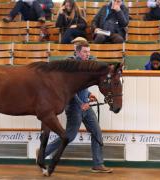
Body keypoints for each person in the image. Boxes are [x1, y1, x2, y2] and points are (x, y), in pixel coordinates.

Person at [41, 41, 113, 173]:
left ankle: (98, 164)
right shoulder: (71, 65)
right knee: (69, 135)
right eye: (85, 52)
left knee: (96, 132)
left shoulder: (87, 65)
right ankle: (43, 153)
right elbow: (68, 89)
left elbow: (82, 85)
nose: (88, 54)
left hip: (85, 105)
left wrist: (89, 94)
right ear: (78, 52)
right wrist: (81, 103)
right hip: (74, 107)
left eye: (89, 52)